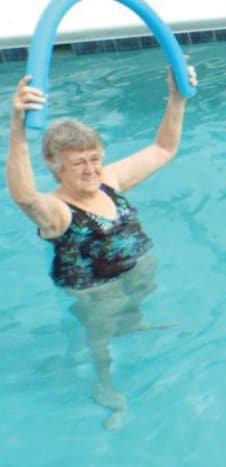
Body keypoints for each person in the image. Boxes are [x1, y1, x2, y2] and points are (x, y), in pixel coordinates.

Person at [6, 65, 197, 430]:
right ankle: (106, 388)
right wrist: (17, 128)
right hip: (96, 291)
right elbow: (23, 196)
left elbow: (163, 149)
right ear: (55, 166)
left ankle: (135, 322)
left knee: (143, 280)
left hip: (133, 270)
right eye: (78, 162)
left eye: (95, 158)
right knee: (101, 341)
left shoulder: (109, 181)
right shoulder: (58, 211)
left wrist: (176, 97)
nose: (91, 169)